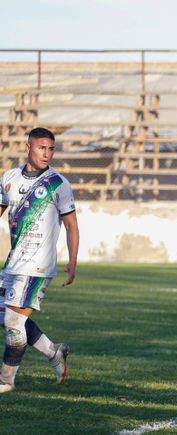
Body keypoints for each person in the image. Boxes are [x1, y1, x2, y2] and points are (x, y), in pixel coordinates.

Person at [0, 127, 79, 393]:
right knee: (6, 317)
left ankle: (6, 380)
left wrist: (73, 260)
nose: (47, 154)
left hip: (38, 265)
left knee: (13, 322)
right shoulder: (8, 178)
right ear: (28, 147)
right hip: (13, 263)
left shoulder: (59, 183)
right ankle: (53, 351)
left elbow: (72, 226)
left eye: (51, 149)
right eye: (41, 148)